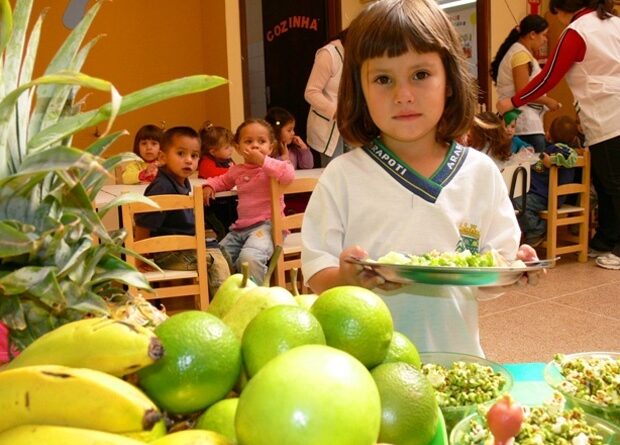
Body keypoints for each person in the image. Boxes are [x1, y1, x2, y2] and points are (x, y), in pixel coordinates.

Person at [301, 0, 538, 356]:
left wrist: (512, 267)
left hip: (458, 360)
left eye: (421, 75)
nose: (403, 95)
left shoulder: (481, 173)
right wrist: (345, 279)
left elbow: (490, 275)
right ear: (359, 90)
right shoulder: (343, 177)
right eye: (383, 79)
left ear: (449, 82)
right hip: (367, 371)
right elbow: (317, 268)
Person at [497, 0, 620, 270]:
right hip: (602, 119)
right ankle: (606, 238)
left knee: (613, 184)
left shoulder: (578, 31)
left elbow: (550, 77)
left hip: (609, 117)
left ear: (564, 9)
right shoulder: (614, 23)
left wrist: (512, 101)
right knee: (602, 182)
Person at [136, 126, 231, 298]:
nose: (189, 160)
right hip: (169, 253)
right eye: (181, 154)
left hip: (185, 248)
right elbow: (144, 222)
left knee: (226, 254)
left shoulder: (182, 181)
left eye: (194, 156)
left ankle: (219, 301)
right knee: (215, 262)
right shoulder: (162, 186)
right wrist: (139, 258)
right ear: (163, 157)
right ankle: (223, 309)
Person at [204, 119, 295, 284]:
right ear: (238, 148)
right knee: (218, 255)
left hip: (268, 226)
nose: (255, 146)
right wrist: (210, 185)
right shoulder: (237, 170)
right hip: (241, 229)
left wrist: (262, 161)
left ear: (271, 147)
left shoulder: (272, 168)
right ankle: (233, 291)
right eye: (248, 141)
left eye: (261, 141)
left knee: (249, 258)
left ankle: (256, 296)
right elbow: (223, 181)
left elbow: (288, 174)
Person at [491, 14, 562, 153]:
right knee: (533, 172)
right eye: (544, 35)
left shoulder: (520, 53)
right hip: (524, 126)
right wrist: (548, 101)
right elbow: (522, 92)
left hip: (523, 122)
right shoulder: (520, 55)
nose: (545, 40)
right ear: (532, 34)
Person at [514, 115, 580, 246]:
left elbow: (570, 157)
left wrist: (553, 160)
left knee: (518, 203)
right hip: (542, 194)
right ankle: (535, 228)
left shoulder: (563, 150)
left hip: (547, 196)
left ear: (550, 133)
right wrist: (531, 162)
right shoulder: (549, 149)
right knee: (517, 200)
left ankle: (537, 229)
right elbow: (540, 168)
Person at [304, 29, 348, 167]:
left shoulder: (361, 56)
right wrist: (336, 111)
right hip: (330, 126)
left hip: (352, 125)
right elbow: (311, 92)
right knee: (334, 175)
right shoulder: (329, 54)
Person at [198, 122, 238, 241]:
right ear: (213, 151)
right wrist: (234, 171)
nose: (231, 149)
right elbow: (212, 173)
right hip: (211, 207)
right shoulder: (206, 162)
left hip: (226, 203)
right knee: (222, 230)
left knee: (231, 226)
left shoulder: (227, 160)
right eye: (227, 147)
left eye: (231, 146)